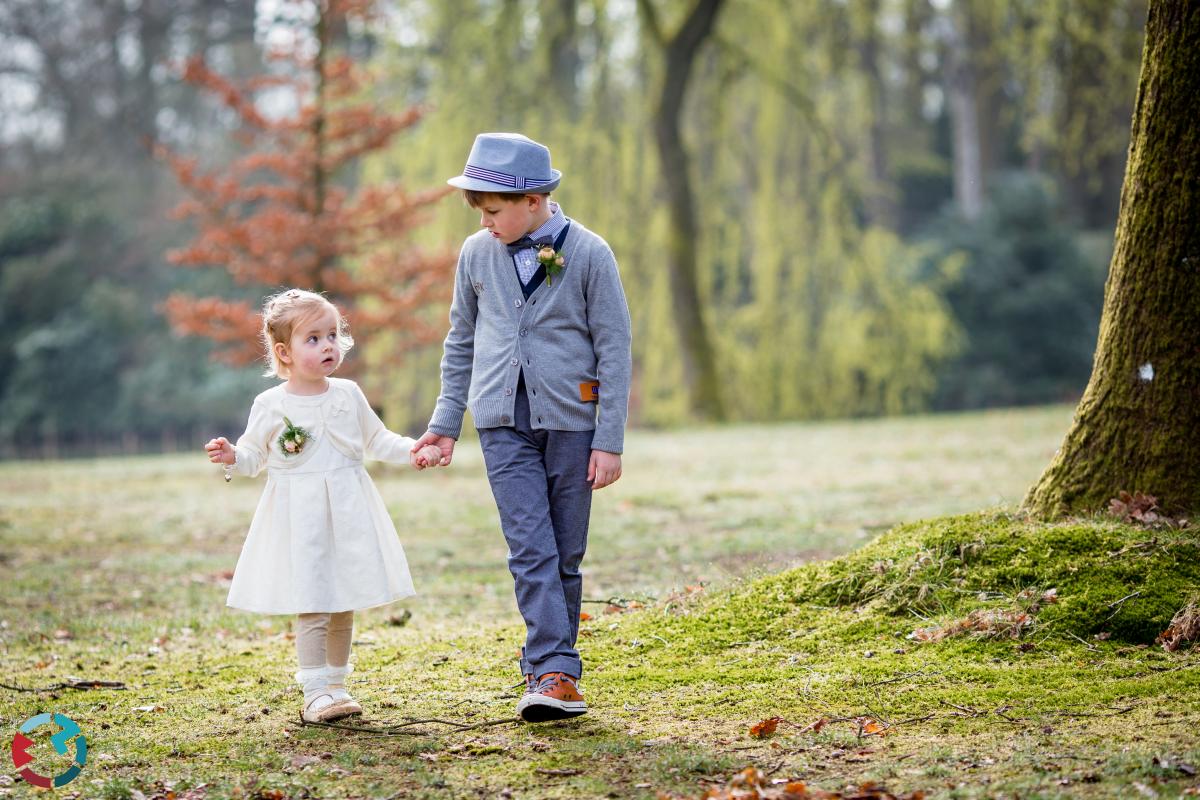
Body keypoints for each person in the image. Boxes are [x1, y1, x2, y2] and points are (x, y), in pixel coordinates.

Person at [412, 133, 632, 722]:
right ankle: (553, 672)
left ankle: (554, 669)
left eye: (494, 212)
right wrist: (443, 425)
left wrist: (609, 439)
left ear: (534, 201)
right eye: (481, 214)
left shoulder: (589, 253)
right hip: (500, 422)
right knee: (529, 546)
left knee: (565, 551)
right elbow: (460, 340)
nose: (486, 224)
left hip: (573, 422)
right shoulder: (475, 254)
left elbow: (614, 347)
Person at [204, 288, 443, 723]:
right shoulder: (271, 404)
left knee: (344, 597)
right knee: (314, 598)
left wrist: (413, 451)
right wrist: (232, 457)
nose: (327, 345)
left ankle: (337, 685)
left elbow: (377, 440)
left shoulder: (348, 394)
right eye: (312, 338)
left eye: (332, 334)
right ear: (285, 352)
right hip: (301, 515)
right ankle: (314, 692)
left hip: (349, 509)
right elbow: (255, 456)